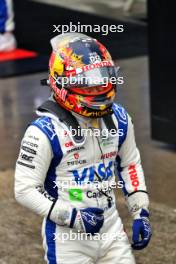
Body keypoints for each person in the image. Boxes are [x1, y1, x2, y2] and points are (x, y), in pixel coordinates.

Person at [14, 33, 152, 264]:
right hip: (67, 239)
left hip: (112, 229)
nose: (97, 89)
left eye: (102, 80)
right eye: (87, 85)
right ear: (61, 83)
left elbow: (129, 164)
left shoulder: (119, 118)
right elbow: (24, 189)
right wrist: (71, 217)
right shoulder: (43, 132)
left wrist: (141, 212)